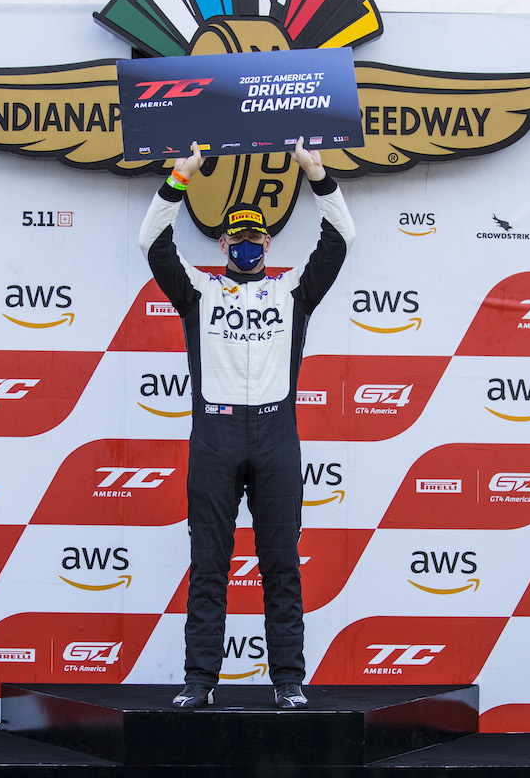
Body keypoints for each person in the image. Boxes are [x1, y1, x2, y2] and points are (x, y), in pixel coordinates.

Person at [138, 137, 354, 710]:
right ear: (222, 241)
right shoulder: (198, 292)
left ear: (267, 240)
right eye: (237, 236)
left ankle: (287, 681)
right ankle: (199, 681)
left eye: (256, 236)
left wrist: (316, 172)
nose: (247, 244)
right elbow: (152, 242)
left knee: (281, 561)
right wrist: (179, 178)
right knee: (208, 562)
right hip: (215, 435)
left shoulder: (292, 294)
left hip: (277, 434)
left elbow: (340, 240)